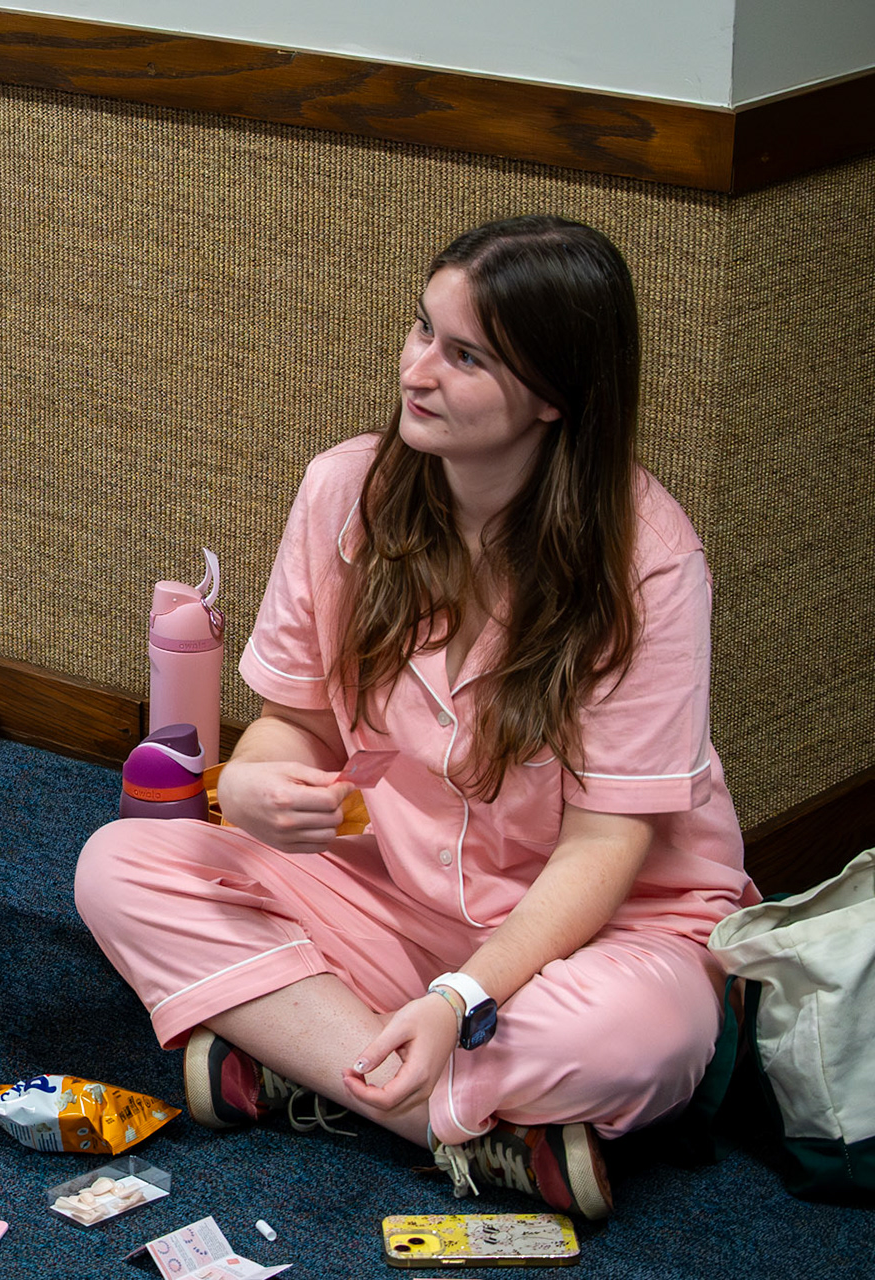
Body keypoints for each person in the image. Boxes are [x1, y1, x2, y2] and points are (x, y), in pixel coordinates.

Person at [74, 216, 757, 1221]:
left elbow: (604, 849)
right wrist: (253, 781)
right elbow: (293, 722)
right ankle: (460, 1127)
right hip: (388, 888)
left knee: (633, 1041)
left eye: (466, 356)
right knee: (120, 865)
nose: (418, 370)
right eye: (423, 329)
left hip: (598, 924)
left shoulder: (650, 561)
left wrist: (460, 998)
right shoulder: (343, 488)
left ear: (555, 395)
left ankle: (301, 1060)